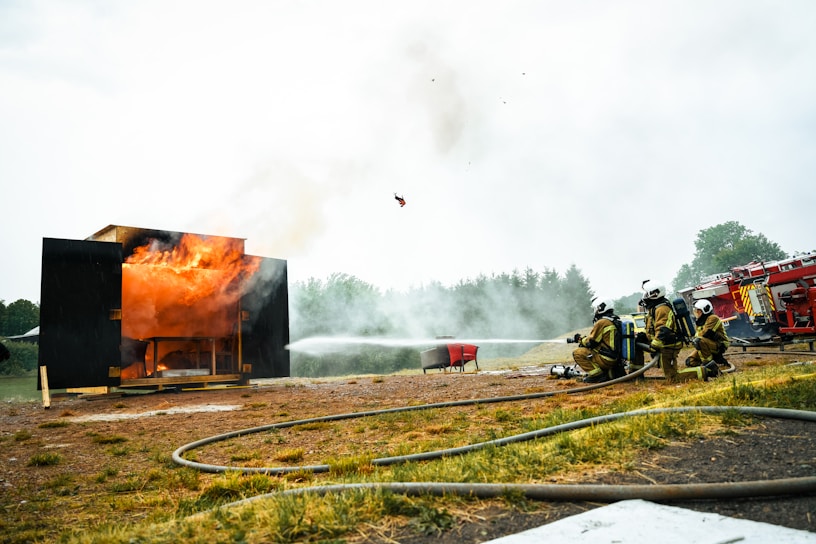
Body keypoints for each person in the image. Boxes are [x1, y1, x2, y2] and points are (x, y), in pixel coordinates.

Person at [631, 281, 715, 383]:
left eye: (646, 294)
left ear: (654, 293)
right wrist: (644, 337)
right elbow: (653, 328)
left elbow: (663, 329)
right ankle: (635, 375)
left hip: (668, 345)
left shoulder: (662, 309)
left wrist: (654, 344)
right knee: (635, 344)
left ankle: (706, 370)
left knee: (672, 378)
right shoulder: (654, 308)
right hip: (661, 343)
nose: (644, 297)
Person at [569, 299, 627, 383]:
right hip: (616, 359)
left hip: (606, 359)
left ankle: (597, 376)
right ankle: (608, 374)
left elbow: (591, 342)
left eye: (595, 308)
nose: (595, 311)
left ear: (601, 308)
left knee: (577, 353)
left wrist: (580, 339)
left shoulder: (602, 322)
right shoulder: (614, 320)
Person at [685, 299, 729, 375]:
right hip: (706, 343)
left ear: (704, 311)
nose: (696, 313)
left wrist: (696, 338)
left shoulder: (713, 318)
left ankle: (709, 364)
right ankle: (707, 364)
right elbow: (698, 335)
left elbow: (705, 333)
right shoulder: (699, 321)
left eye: (698, 311)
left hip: (719, 344)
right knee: (690, 361)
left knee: (699, 341)